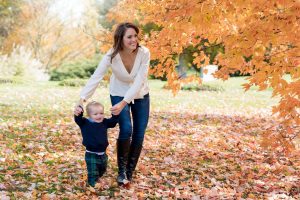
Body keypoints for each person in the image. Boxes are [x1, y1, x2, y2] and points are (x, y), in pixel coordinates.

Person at [74, 22, 150, 185]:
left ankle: (128, 172)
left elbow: (139, 81)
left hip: (141, 94)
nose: (134, 39)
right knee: (126, 129)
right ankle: (121, 171)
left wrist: (124, 103)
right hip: (118, 92)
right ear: (120, 39)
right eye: (129, 37)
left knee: (139, 133)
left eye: (135, 36)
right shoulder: (111, 56)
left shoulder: (144, 53)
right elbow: (97, 76)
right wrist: (82, 99)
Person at [74, 101, 119, 187]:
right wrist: (79, 113)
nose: (99, 116)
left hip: (103, 153)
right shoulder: (85, 123)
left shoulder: (104, 122)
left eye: (101, 113)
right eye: (95, 114)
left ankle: (97, 178)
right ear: (89, 115)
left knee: (102, 169)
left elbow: (113, 123)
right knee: (93, 171)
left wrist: (115, 115)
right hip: (91, 153)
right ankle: (92, 184)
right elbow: (78, 119)